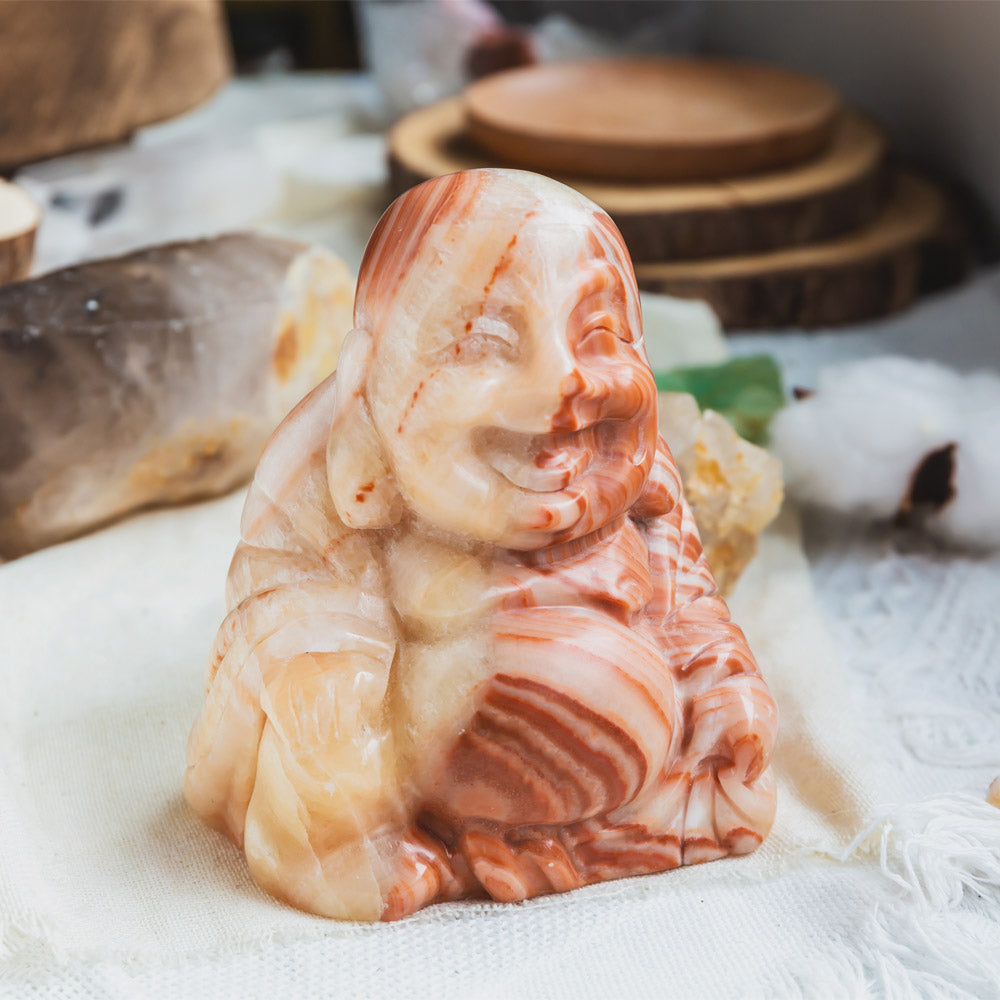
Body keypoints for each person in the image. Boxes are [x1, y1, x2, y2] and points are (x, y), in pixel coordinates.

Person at [185, 168, 777, 921]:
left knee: (733, 776)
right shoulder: (320, 467)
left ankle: (582, 838)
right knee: (333, 779)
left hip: (625, 765)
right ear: (372, 376)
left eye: (599, 336)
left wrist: (723, 687)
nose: (564, 383)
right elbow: (283, 610)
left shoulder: (640, 475)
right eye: (489, 341)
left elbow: (687, 599)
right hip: (417, 743)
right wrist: (340, 727)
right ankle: (440, 842)